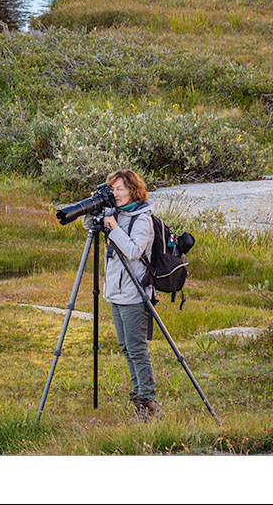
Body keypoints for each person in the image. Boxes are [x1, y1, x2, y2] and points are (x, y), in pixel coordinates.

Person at [101, 169, 161, 419]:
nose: (115, 194)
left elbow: (134, 251)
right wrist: (95, 209)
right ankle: (138, 397)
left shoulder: (142, 219)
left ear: (133, 190)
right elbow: (89, 227)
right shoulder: (117, 212)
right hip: (116, 291)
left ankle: (148, 403)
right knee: (126, 347)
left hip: (134, 293)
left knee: (137, 348)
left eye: (120, 189)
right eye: (112, 189)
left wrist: (113, 227)